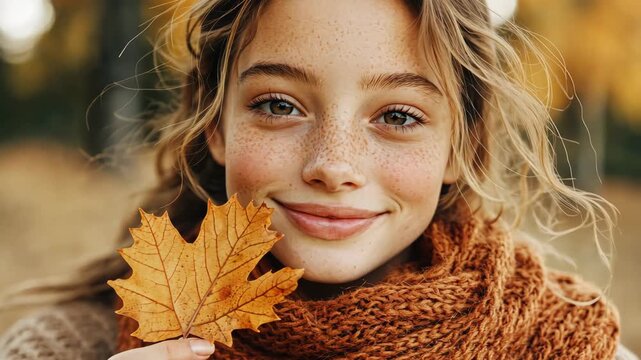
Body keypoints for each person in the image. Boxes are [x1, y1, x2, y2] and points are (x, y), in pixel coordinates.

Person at [0, 0, 638, 359]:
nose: (333, 165)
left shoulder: (566, 345)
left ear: (458, 146)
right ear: (216, 125)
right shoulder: (67, 348)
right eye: (279, 105)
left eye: (397, 116)